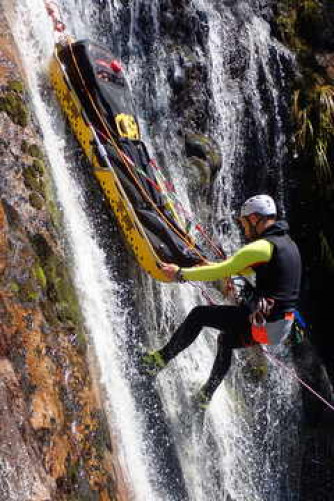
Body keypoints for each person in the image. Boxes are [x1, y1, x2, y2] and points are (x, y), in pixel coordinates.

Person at [142, 194, 302, 408]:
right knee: (226, 340)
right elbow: (241, 269)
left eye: (244, 223)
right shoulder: (288, 245)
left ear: (255, 219)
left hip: (265, 323)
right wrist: (222, 270)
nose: (244, 230)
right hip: (282, 325)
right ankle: (205, 397)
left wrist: (181, 273)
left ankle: (159, 360)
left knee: (199, 315)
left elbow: (224, 269)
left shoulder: (262, 247)